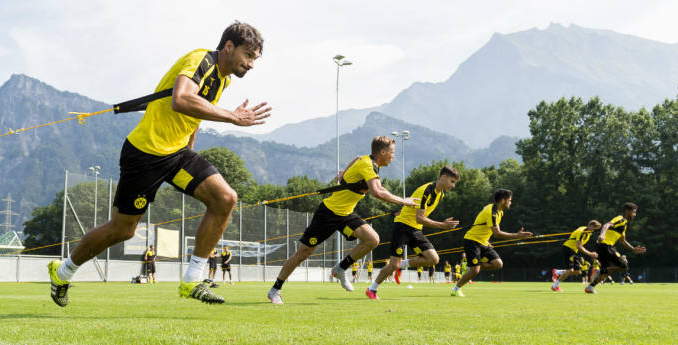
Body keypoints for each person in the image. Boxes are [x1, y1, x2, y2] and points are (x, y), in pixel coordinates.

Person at [47, 22, 270, 307]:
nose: (251, 64)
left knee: (225, 198)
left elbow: (194, 115)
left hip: (177, 155)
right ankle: (63, 271)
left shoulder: (222, 79)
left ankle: (192, 280)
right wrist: (232, 117)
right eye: (248, 55)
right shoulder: (201, 60)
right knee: (123, 229)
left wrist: (189, 154)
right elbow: (181, 100)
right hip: (145, 154)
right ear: (229, 47)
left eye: (254, 58)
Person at [267, 136, 416, 304]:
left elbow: (357, 159)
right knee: (303, 253)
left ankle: (340, 268)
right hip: (328, 213)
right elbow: (377, 192)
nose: (393, 156)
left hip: (346, 214)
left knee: (372, 239)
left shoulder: (369, 163)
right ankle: (275, 290)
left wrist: (344, 172)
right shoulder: (367, 165)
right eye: (392, 152)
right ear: (382, 152)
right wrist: (404, 201)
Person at [366, 166, 460, 299]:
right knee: (393, 264)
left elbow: (418, 218)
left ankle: (402, 265)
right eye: (452, 181)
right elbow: (420, 217)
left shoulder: (440, 193)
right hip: (402, 227)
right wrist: (443, 225)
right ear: (443, 177)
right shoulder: (427, 191)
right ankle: (372, 289)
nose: (453, 185)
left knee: (433, 259)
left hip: (416, 229)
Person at [451, 189, 532, 297]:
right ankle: (456, 289)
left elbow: (487, 228)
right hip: (472, 241)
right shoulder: (491, 212)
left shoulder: (499, 212)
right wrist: (517, 236)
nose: (511, 203)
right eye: (510, 200)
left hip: (483, 242)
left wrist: (487, 241)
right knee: (475, 271)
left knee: (498, 264)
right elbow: (497, 234)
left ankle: (469, 265)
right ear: (503, 200)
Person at [585, 202, 646, 294]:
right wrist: (602, 235)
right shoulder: (620, 219)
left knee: (607, 272)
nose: (635, 214)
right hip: (605, 245)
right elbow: (606, 225)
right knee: (623, 265)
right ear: (627, 211)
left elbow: (623, 241)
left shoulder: (624, 224)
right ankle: (602, 271)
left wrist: (633, 249)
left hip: (604, 247)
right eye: (633, 212)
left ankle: (590, 287)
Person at [551, 220, 601, 291]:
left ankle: (557, 272)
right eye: (594, 229)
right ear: (590, 226)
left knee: (578, 271)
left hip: (573, 251)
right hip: (568, 249)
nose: (594, 231)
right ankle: (555, 286)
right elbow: (579, 246)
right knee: (570, 270)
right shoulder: (582, 232)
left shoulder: (588, 232)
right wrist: (590, 254)